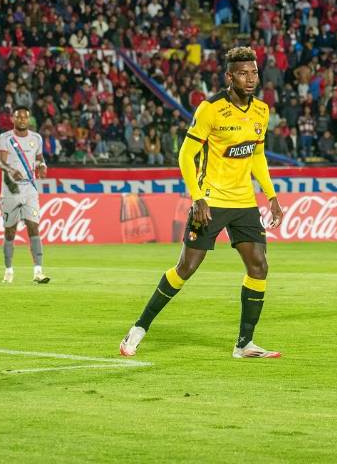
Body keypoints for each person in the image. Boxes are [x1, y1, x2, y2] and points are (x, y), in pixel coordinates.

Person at [120, 46, 284, 359]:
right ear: (229, 77)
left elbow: (258, 156)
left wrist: (271, 196)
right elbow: (186, 154)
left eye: (254, 73)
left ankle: (244, 344)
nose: (251, 79)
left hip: (244, 202)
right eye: (243, 73)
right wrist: (197, 197)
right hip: (209, 201)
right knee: (186, 267)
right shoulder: (210, 109)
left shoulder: (262, 110)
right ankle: (139, 328)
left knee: (259, 266)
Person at [0, 105, 49, 284]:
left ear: (28, 119)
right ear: (13, 119)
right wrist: (11, 170)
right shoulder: (5, 138)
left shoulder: (36, 138)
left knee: (34, 227)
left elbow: (40, 158)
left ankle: (38, 272)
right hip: (11, 190)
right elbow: (0, 163)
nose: (22, 120)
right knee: (10, 231)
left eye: (25, 117)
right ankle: (9, 269)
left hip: (30, 190)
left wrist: (42, 166)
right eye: (18, 117)